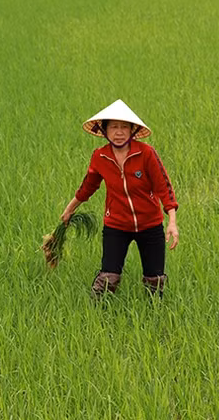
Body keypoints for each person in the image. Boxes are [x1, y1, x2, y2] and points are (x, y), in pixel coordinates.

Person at [60, 99, 179, 298]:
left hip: (150, 224)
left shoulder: (146, 153)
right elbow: (88, 186)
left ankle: (156, 314)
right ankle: (97, 316)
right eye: (114, 127)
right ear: (104, 130)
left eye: (124, 127)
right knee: (108, 277)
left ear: (133, 130)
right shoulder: (100, 157)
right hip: (116, 225)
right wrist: (70, 209)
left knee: (155, 279)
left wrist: (172, 221)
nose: (119, 132)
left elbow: (163, 187)